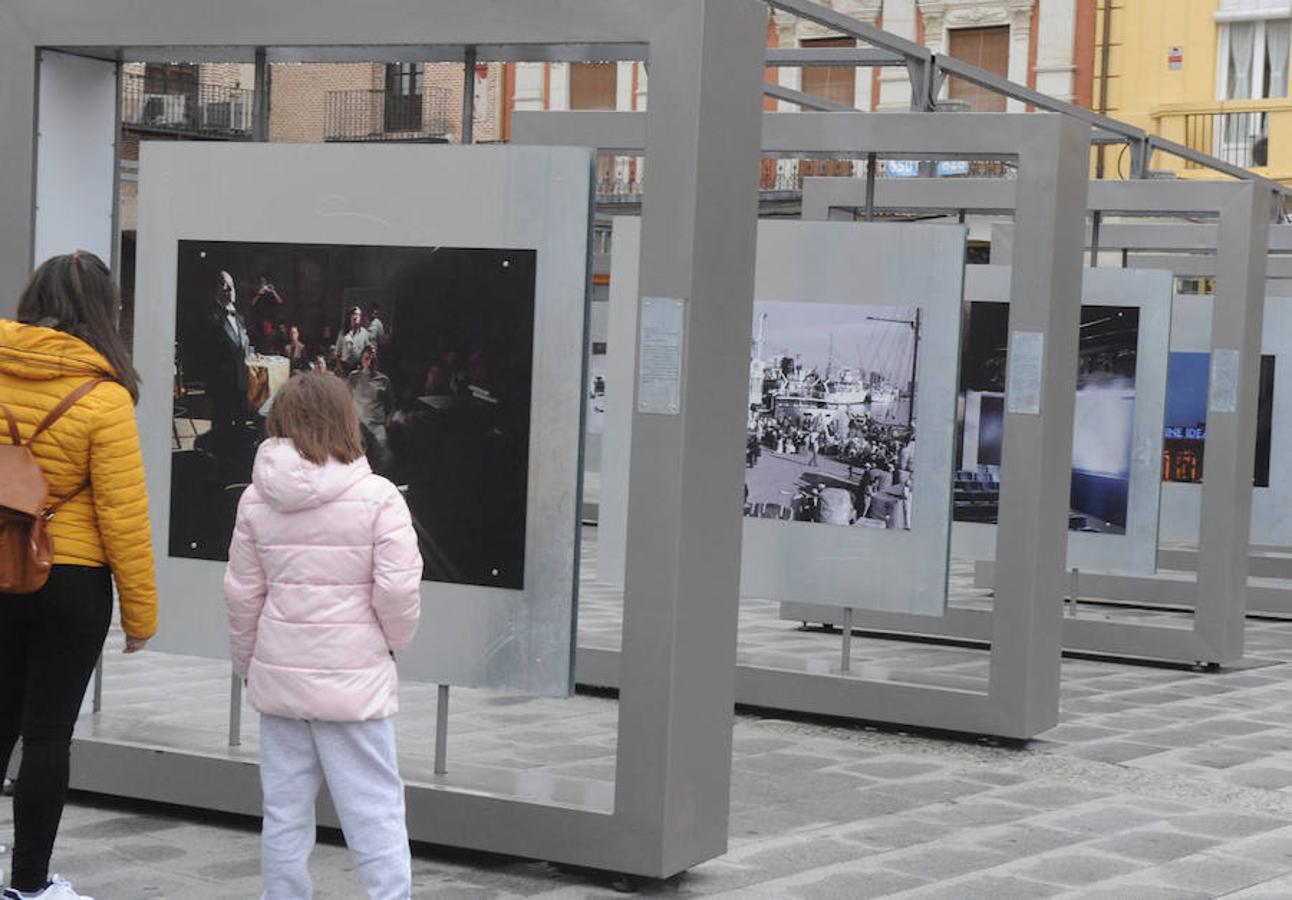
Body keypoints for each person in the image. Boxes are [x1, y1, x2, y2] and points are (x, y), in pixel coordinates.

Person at [224, 372, 422, 900]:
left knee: (284, 811)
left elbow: (243, 595)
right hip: (354, 684)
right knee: (374, 809)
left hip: (282, 682)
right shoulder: (379, 497)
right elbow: (398, 592)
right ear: (345, 420)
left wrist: (251, 665)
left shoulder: (255, 500)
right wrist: (390, 646)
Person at [0, 252, 157, 900]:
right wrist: (141, 616)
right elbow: (124, 515)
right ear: (104, 312)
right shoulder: (105, 396)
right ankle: (30, 886)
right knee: (47, 735)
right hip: (72, 582)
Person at [191, 270, 251, 434]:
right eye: (224, 284)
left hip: (241, 383)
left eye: (232, 285)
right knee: (221, 431)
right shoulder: (209, 317)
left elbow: (242, 347)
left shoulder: (239, 318)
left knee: (241, 429)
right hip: (222, 385)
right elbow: (203, 351)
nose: (230, 289)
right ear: (216, 289)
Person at [347, 346, 394, 474]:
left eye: (373, 359)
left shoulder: (383, 380)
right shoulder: (354, 377)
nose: (370, 362)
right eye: (367, 359)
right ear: (362, 360)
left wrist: (388, 422)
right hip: (359, 425)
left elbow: (391, 406)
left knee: (382, 461)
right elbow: (345, 400)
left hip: (377, 425)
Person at [334, 306, 371, 373]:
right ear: (350, 316)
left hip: (358, 366)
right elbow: (337, 352)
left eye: (358, 315)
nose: (356, 317)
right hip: (345, 366)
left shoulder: (364, 333)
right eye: (354, 314)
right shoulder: (343, 332)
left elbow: (368, 351)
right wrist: (339, 365)